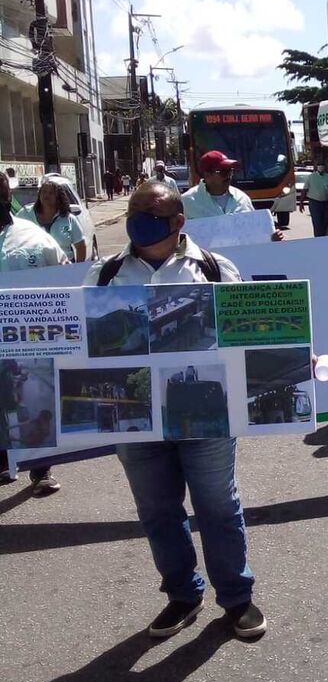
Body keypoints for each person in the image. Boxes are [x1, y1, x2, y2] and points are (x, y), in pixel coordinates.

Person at [84, 181, 265, 640]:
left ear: (178, 221)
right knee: (158, 511)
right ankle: (183, 595)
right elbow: (81, 346)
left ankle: (236, 598)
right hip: (133, 416)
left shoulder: (212, 268)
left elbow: (246, 334)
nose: (139, 216)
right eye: (134, 208)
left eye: (152, 210)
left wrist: (286, 354)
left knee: (218, 507)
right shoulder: (104, 276)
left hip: (204, 412)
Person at [0, 173, 67, 494]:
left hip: (26, 343)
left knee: (28, 401)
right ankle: (5, 464)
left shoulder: (34, 239)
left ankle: (40, 470)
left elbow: (67, 282)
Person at [15, 178, 87, 261]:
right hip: (33, 267)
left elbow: (80, 246)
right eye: (44, 192)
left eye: (51, 193)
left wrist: (77, 269)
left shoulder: (68, 219)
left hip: (63, 268)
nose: (47, 195)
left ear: (58, 197)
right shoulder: (25, 214)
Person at [181, 151, 255, 218]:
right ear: (207, 175)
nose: (228, 175)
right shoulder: (187, 201)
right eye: (223, 171)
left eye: (230, 171)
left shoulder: (242, 198)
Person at [300, 162, 328, 237]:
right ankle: (318, 238)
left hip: (325, 203)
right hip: (314, 203)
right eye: (319, 166)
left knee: (325, 223)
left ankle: (324, 238)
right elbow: (305, 190)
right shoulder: (311, 177)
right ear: (316, 167)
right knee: (317, 223)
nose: (321, 167)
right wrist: (301, 203)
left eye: (322, 165)